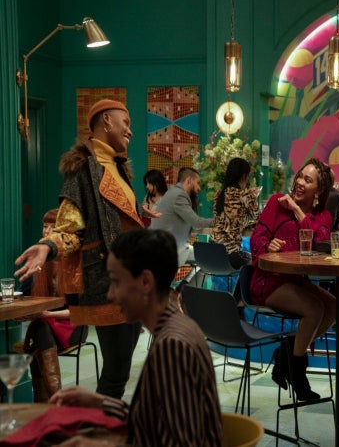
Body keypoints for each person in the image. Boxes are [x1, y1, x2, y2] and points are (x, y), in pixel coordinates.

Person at [15, 99, 151, 400]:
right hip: (106, 282)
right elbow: (70, 228)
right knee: (116, 372)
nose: (130, 131)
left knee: (120, 370)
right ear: (106, 121)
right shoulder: (83, 169)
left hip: (132, 280)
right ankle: (97, 425)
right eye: (126, 123)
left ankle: (101, 423)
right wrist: (47, 246)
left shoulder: (118, 168)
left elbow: (119, 220)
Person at [51, 229, 223, 447]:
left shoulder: (172, 345)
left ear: (145, 282)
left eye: (116, 282)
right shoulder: (177, 326)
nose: (110, 294)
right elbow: (155, 422)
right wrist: (101, 402)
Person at [250, 158, 336, 401]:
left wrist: (297, 211)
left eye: (308, 180)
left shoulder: (322, 216)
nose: (299, 182)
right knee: (314, 309)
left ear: (318, 190)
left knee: (333, 307)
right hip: (268, 281)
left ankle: (287, 353)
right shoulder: (277, 202)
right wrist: (268, 245)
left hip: (296, 282)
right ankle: (298, 374)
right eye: (300, 176)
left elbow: (320, 241)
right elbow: (257, 238)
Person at [22, 208, 87, 402]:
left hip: (73, 326)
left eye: (53, 227)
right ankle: (55, 401)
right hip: (46, 325)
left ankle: (50, 402)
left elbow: (80, 311)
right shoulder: (37, 260)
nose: (47, 231)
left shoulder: (72, 263)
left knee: (39, 332)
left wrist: (48, 314)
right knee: (40, 330)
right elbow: (22, 294)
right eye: (44, 226)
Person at [150, 167, 212, 266]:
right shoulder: (179, 196)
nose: (199, 188)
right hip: (168, 251)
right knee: (209, 258)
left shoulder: (173, 192)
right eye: (198, 183)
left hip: (160, 247)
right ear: (189, 180)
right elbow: (196, 223)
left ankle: (189, 278)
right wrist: (219, 221)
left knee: (205, 259)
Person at [211, 157, 260, 269]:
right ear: (244, 176)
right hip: (231, 256)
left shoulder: (218, 194)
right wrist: (253, 197)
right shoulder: (245, 195)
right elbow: (260, 219)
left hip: (212, 254)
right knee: (259, 261)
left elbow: (229, 220)